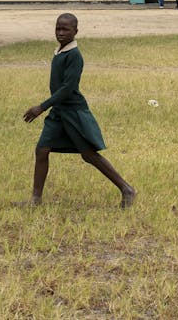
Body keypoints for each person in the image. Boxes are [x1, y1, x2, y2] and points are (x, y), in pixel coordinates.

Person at [23, 13, 136, 209]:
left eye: (65, 29)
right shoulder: (60, 51)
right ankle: (35, 199)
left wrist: (41, 107)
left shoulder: (74, 55)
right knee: (42, 150)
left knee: (89, 155)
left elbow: (68, 89)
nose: (60, 32)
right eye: (58, 28)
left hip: (72, 111)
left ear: (76, 31)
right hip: (59, 112)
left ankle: (127, 189)